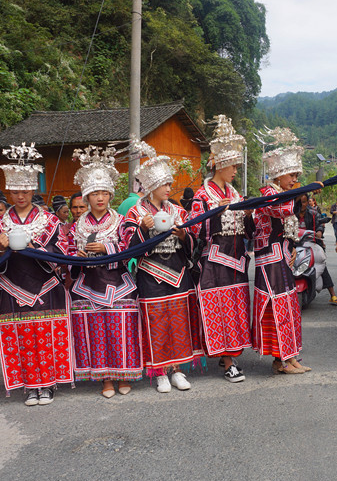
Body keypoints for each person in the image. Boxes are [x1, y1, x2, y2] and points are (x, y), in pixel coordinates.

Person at [0, 143, 73, 406]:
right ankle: (29, 385)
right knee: (22, 337)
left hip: (45, 285)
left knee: (46, 334)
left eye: (25, 190)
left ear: (33, 189)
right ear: (9, 192)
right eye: (15, 191)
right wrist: (0, 248)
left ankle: (48, 384)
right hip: (13, 285)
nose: (20, 195)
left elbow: (62, 248)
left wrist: (35, 247)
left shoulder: (49, 220)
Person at [124, 141, 203, 392]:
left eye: (170, 184)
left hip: (179, 273)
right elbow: (128, 246)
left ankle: (178, 369)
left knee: (179, 323)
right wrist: (144, 229)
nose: (169, 188)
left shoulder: (179, 211)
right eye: (164, 185)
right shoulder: (136, 214)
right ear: (150, 187)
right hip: (150, 275)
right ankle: (159, 372)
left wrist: (182, 236)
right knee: (156, 324)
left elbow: (194, 240)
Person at [67, 145, 141, 398]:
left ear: (110, 195)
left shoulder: (121, 221)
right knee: (96, 333)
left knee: (120, 331)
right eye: (94, 193)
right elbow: (66, 251)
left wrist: (107, 247)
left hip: (118, 284)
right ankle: (105, 380)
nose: (100, 198)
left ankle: (123, 375)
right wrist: (76, 256)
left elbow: (132, 246)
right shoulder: (77, 224)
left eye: (104, 193)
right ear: (86, 197)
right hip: (88, 285)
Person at [189, 115, 254, 382]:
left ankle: (231, 354)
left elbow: (246, 231)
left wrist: (247, 215)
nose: (236, 171)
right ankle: (227, 359)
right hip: (215, 262)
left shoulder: (236, 195)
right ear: (222, 164)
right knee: (219, 310)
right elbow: (195, 231)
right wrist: (218, 211)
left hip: (237, 262)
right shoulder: (202, 196)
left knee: (235, 310)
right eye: (234, 167)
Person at [253, 127, 315, 374]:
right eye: (291, 174)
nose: (294, 179)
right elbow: (282, 211)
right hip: (269, 258)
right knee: (278, 307)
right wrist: (297, 193)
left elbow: (289, 228)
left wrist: (290, 248)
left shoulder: (284, 194)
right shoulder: (269, 193)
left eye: (296, 175)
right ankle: (282, 359)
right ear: (278, 175)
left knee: (288, 306)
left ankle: (289, 357)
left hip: (282, 256)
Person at [296, 192, 337, 304]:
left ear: (308, 202)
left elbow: (319, 224)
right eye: (299, 202)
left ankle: (332, 294)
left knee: (322, 266)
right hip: (294, 245)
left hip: (312, 243)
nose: (302, 204)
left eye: (304, 202)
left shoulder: (313, 213)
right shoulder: (291, 214)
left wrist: (319, 231)